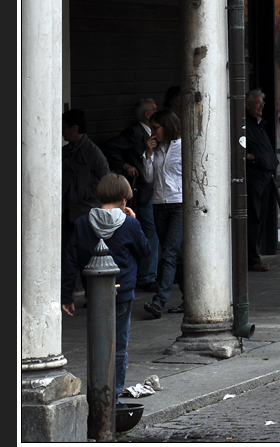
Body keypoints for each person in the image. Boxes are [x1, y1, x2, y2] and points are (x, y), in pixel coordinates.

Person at [62, 173, 150, 400]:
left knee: (97, 340)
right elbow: (145, 252)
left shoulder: (82, 223)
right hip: (123, 290)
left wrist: (67, 294)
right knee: (119, 343)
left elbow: (70, 259)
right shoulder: (129, 223)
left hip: (94, 291)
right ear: (123, 200)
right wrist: (136, 221)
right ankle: (115, 390)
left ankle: (97, 387)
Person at [102, 98, 159, 291]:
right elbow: (111, 147)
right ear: (147, 114)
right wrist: (125, 166)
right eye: (154, 110)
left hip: (150, 189)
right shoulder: (135, 132)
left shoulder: (153, 133)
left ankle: (148, 273)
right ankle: (147, 276)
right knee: (148, 230)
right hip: (141, 189)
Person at [142, 108, 184, 318]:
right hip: (159, 204)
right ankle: (190, 299)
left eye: (156, 127)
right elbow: (149, 178)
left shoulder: (183, 146)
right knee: (176, 255)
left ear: (166, 126)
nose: (153, 131)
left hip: (178, 204)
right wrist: (148, 155)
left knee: (168, 253)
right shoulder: (155, 149)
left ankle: (159, 301)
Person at [62, 109, 110, 257]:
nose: (62, 131)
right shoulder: (65, 151)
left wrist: (84, 193)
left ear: (74, 128)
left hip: (85, 212)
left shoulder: (93, 153)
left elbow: (106, 180)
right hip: (66, 212)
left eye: (64, 127)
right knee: (67, 257)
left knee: (86, 257)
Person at [245, 89, 278, 272]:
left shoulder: (259, 124)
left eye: (262, 103)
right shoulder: (245, 125)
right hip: (254, 176)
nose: (261, 106)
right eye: (257, 103)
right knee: (253, 217)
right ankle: (251, 258)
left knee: (262, 216)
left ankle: (255, 254)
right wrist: (252, 157)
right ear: (248, 104)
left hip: (266, 175)